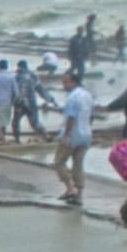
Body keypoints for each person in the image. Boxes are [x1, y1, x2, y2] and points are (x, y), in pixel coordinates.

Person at [55, 70, 93, 205]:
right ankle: (79, 195)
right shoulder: (87, 95)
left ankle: (70, 189)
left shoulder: (72, 97)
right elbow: (90, 115)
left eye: (66, 82)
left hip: (73, 134)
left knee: (59, 162)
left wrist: (66, 135)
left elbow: (71, 117)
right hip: (86, 134)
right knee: (78, 164)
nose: (64, 85)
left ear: (73, 82)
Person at [12, 59, 55, 142]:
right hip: (32, 103)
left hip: (20, 104)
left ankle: (17, 140)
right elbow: (41, 89)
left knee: (16, 122)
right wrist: (50, 99)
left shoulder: (17, 77)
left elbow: (15, 91)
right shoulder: (33, 76)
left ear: (19, 67)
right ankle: (46, 135)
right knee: (35, 123)